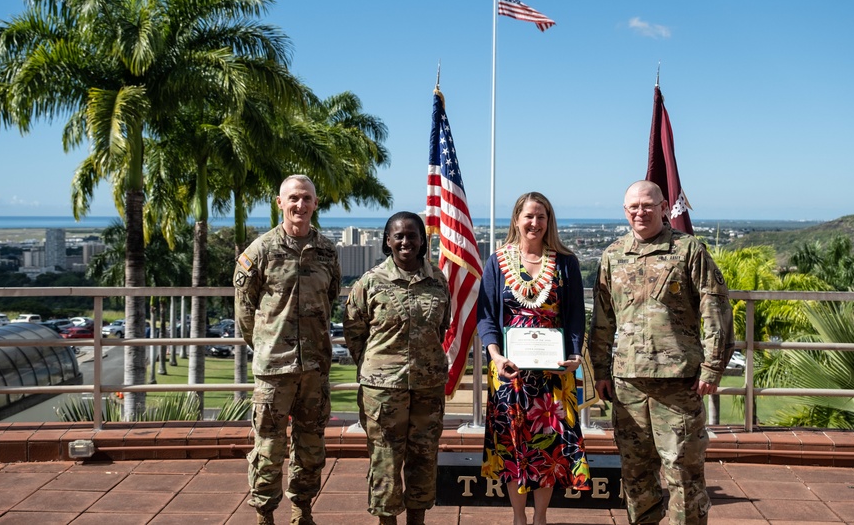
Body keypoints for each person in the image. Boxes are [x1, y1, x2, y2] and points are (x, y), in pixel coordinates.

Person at [589, 180, 733, 525]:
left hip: (678, 385)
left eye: (648, 205)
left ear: (664, 207)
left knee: (683, 476)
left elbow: (715, 309)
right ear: (625, 211)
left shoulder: (688, 250)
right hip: (628, 385)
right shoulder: (613, 255)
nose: (640, 212)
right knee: (636, 477)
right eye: (633, 206)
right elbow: (603, 320)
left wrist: (713, 367)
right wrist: (600, 373)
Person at [477, 192, 591, 525]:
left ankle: (540, 517)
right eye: (529, 216)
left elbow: (573, 317)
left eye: (541, 217)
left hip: (552, 376)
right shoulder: (497, 262)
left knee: (548, 451)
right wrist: (495, 356)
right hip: (509, 375)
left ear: (549, 222)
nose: (535, 223)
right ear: (516, 219)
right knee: (513, 448)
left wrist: (574, 353)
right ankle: (517, 518)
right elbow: (485, 317)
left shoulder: (565, 262)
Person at [234, 174, 341, 525]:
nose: (300, 205)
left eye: (307, 198)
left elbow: (332, 298)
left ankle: (302, 512)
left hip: (314, 369)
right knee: (268, 449)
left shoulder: (327, 251)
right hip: (274, 370)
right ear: (279, 203)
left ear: (315, 203)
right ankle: (265, 515)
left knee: (310, 449)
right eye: (293, 198)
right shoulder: (260, 252)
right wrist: (267, 345)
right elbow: (244, 312)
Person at [343, 211, 451, 525]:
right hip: (383, 390)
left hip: (427, 386)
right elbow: (354, 331)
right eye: (398, 236)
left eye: (412, 235)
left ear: (422, 240)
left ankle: (417, 519)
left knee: (424, 456)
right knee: (385, 460)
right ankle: (386, 521)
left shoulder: (437, 279)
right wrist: (376, 368)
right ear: (388, 241)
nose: (406, 241)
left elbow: (441, 327)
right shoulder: (370, 281)